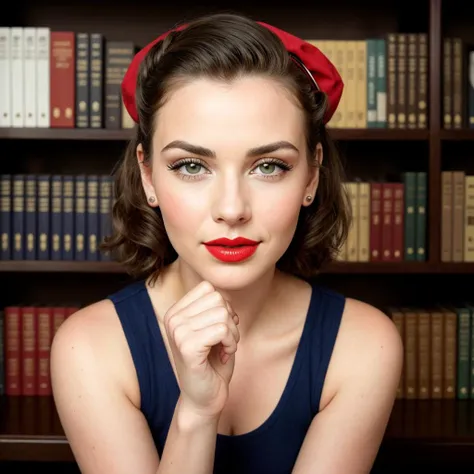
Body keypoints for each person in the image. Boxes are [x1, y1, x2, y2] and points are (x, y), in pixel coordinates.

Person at [50, 11, 403, 474]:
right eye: (192, 166)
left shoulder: (364, 345)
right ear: (148, 174)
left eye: (269, 165)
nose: (232, 209)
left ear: (312, 175)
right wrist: (196, 413)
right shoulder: (89, 348)